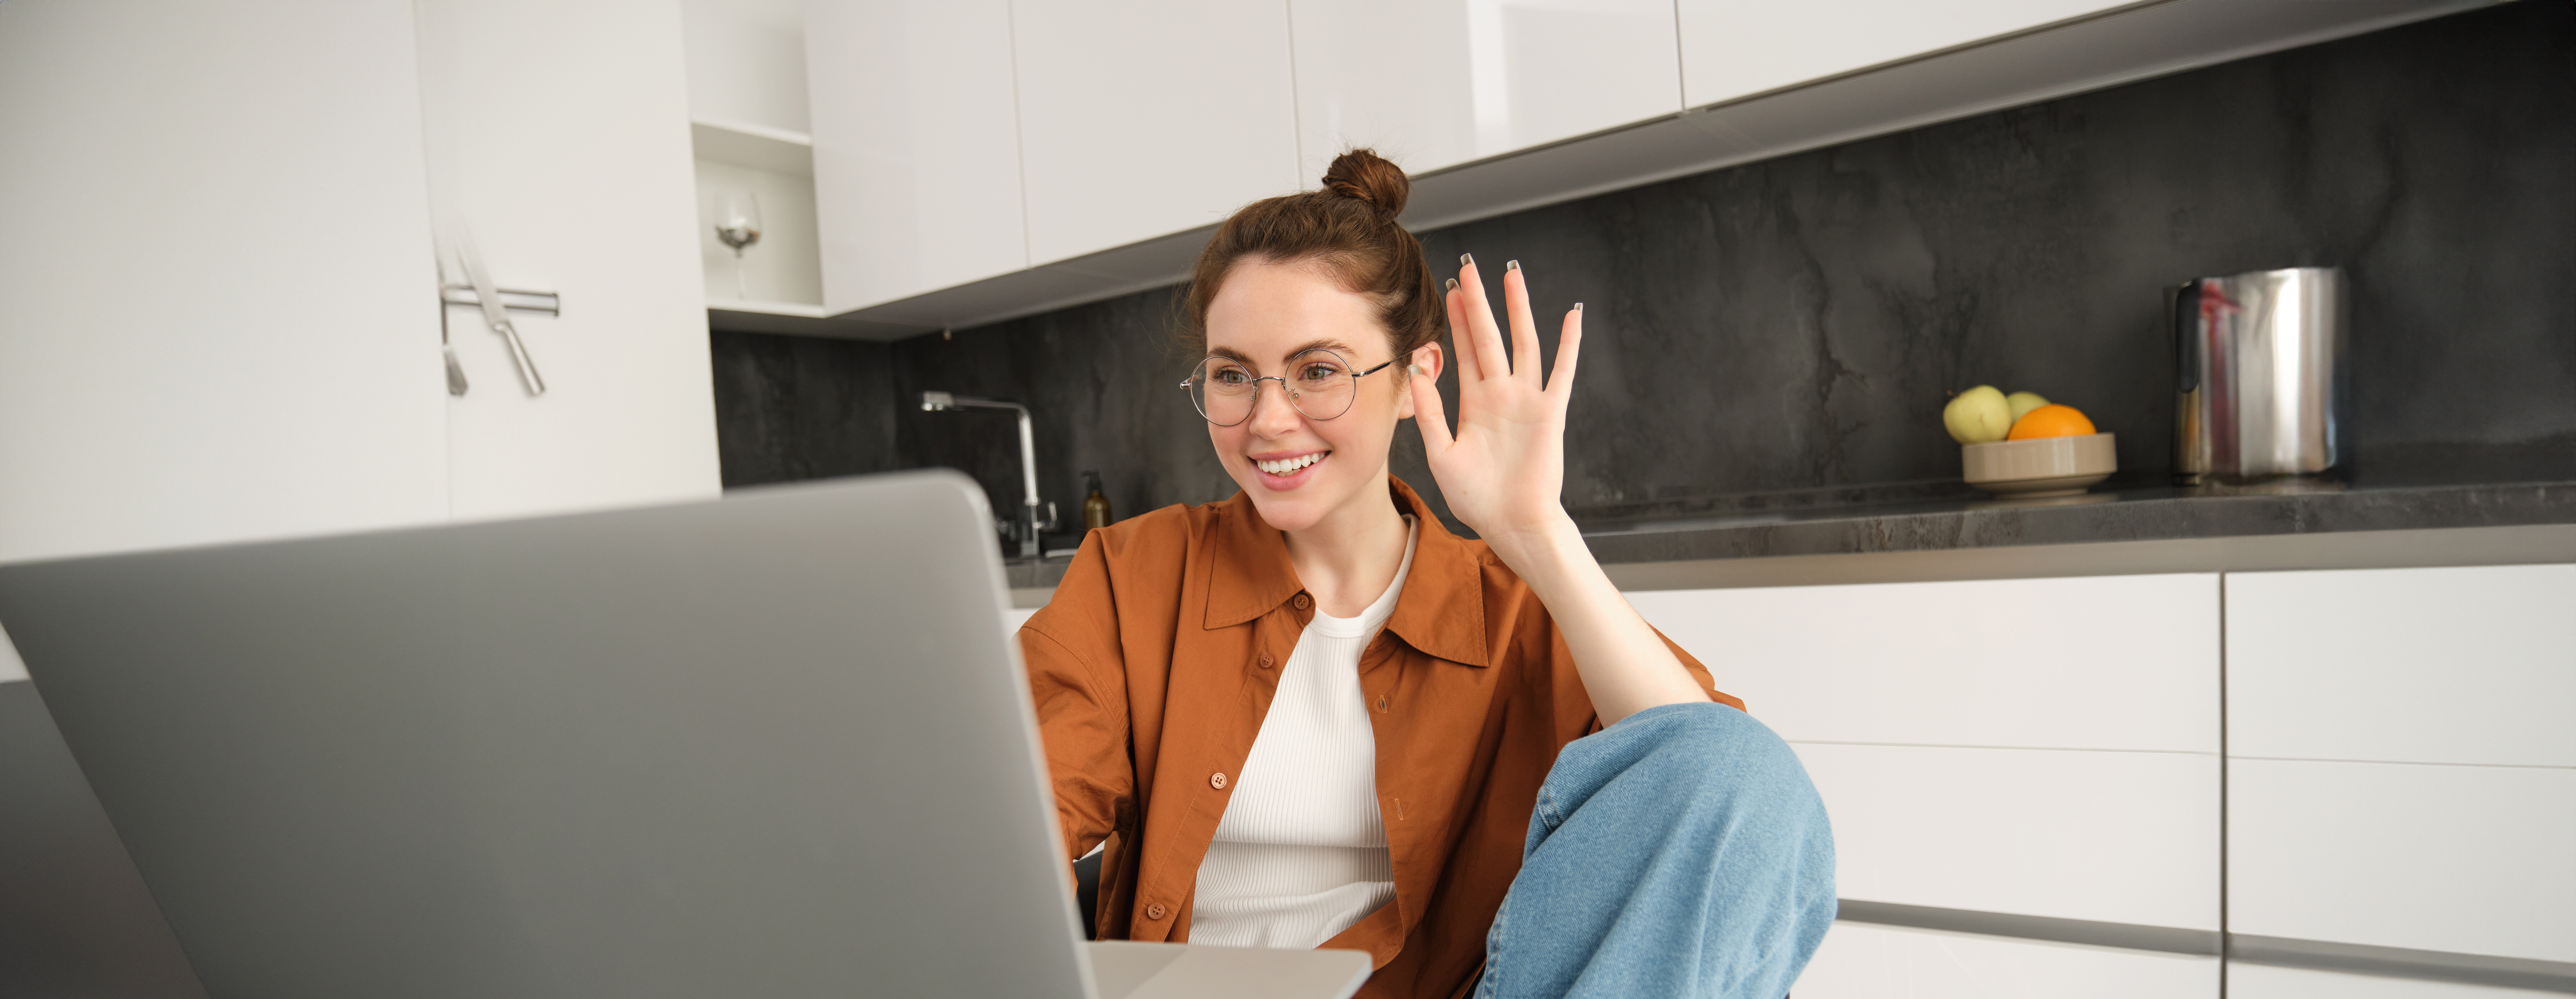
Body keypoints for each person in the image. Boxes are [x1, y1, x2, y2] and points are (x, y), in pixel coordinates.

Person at [1018, 149, 1836, 999]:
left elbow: (1714, 797)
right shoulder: (1135, 571)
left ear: (1416, 379)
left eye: (1318, 371)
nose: (1267, 419)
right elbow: (1013, 810)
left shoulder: (1509, 605)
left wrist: (1536, 532)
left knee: (1747, 771)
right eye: (1233, 375)